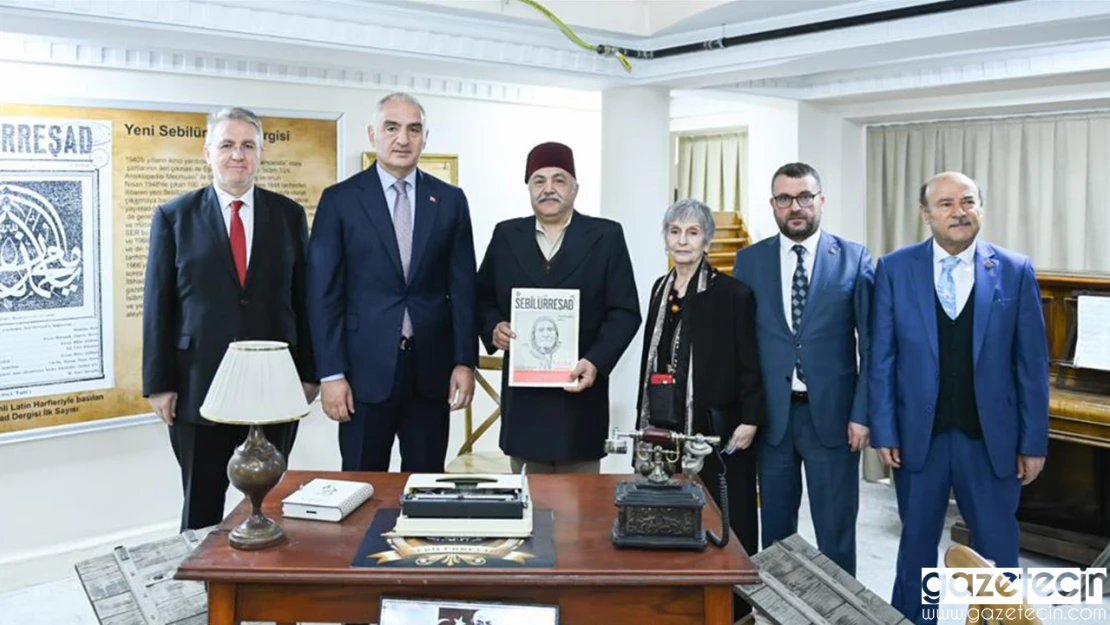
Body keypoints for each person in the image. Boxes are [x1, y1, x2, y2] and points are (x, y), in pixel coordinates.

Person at [869, 171, 1048, 624]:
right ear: (925, 213)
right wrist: (885, 429)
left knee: (998, 549)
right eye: (945, 204)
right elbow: (882, 358)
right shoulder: (894, 268)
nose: (959, 211)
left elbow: (1031, 366)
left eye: (968, 201)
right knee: (917, 549)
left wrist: (1033, 442)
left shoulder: (1014, 269)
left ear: (981, 209)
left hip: (991, 441)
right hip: (917, 439)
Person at [142, 106, 318, 532]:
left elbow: (304, 298)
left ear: (259, 154)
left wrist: (310, 373)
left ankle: (266, 584)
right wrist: (159, 384)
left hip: (274, 382)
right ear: (207, 153)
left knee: (270, 496)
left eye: (247, 146)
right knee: (202, 497)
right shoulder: (174, 217)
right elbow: (158, 304)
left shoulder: (288, 215)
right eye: (227, 145)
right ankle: (203, 592)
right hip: (198, 384)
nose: (237, 155)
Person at [307, 92, 477, 473]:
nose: (403, 139)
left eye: (414, 129)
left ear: (425, 138)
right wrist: (331, 374)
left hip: (431, 375)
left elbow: (464, 287)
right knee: (362, 488)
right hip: (363, 375)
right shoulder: (340, 201)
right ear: (372, 134)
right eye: (392, 128)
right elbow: (323, 295)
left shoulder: (450, 200)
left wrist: (465, 362)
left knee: (426, 486)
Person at [731, 162, 873, 576]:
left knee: (836, 533)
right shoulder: (749, 262)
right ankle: (778, 612)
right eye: (785, 198)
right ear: (773, 205)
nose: (796, 207)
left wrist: (862, 414)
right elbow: (741, 347)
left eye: (805, 197)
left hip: (832, 419)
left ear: (820, 201)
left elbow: (872, 344)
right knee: (775, 533)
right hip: (773, 420)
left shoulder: (853, 258)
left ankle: (843, 616)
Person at [636, 198, 765, 622]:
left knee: (725, 520)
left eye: (693, 232)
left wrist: (750, 418)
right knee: (669, 520)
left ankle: (732, 611)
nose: (683, 240)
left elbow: (750, 361)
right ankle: (675, 605)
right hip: (664, 424)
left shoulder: (733, 294)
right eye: (675, 231)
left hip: (715, 428)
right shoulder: (659, 288)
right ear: (666, 237)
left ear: (707, 239)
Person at [476, 141, 640, 473]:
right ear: (528, 187)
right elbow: (481, 298)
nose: (548, 189)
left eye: (559, 179)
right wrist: (494, 327)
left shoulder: (605, 236)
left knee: (577, 517)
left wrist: (595, 361)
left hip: (579, 398)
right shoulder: (506, 235)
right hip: (525, 407)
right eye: (539, 180)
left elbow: (624, 311)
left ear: (575, 187)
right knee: (530, 512)